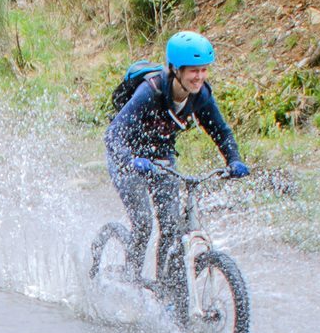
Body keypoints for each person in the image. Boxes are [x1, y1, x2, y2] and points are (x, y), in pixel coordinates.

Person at [103, 30, 251, 313]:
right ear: (176, 70)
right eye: (193, 71)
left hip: (161, 157)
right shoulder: (151, 91)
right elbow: (113, 134)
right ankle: (131, 281)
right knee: (144, 222)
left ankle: (164, 293)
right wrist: (129, 159)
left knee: (171, 226)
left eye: (204, 70)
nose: (199, 77)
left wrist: (234, 159)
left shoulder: (201, 96)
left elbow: (220, 130)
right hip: (128, 157)